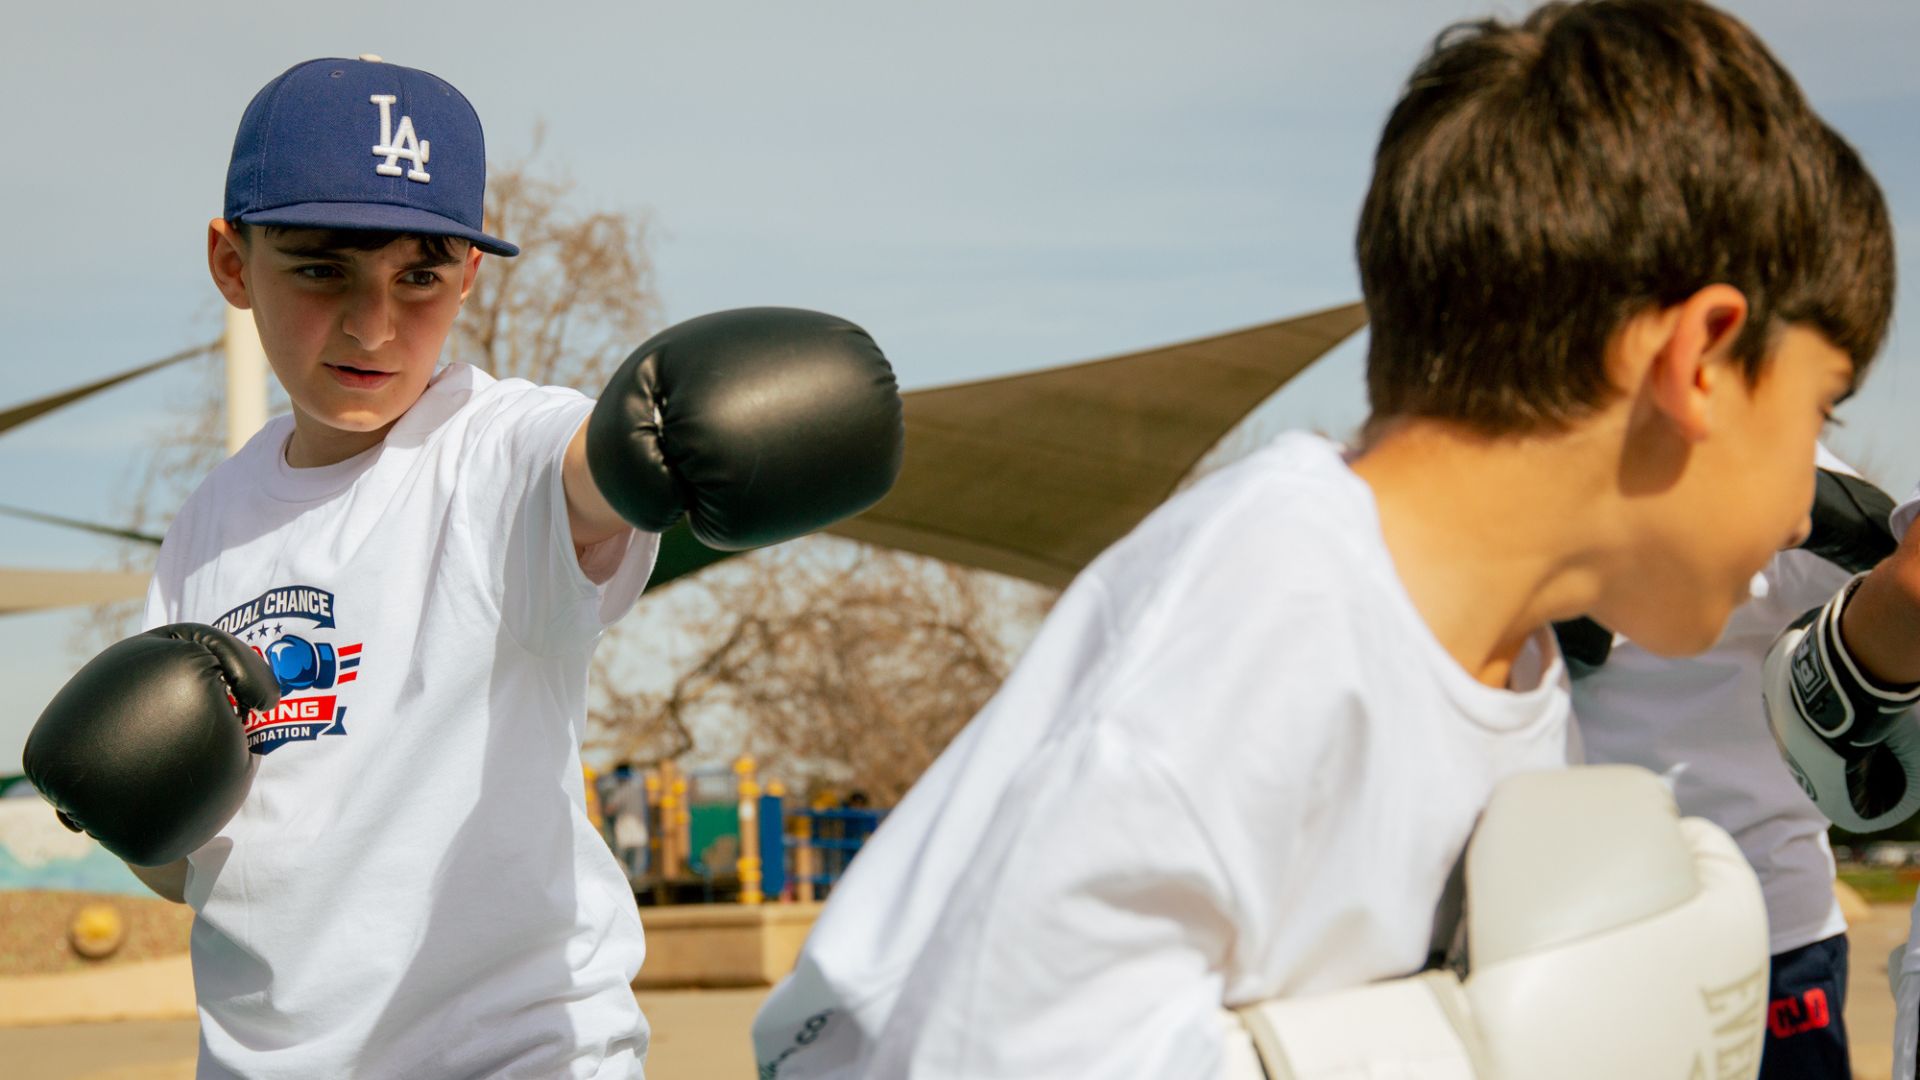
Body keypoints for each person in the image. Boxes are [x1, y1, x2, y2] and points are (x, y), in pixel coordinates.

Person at [750, 1, 1895, 1076]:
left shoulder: (1510, 664)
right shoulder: (1276, 615)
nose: (1807, 507)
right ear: (1700, 361)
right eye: (1819, 409)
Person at [22, 56, 902, 1079]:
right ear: (232, 262)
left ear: (471, 274)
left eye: (421, 276)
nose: (374, 324)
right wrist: (129, 812)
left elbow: (582, 473)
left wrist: (646, 453)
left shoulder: (496, 452)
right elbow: (192, 875)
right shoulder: (207, 525)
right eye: (321, 269)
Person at [1572, 453, 1911, 1080]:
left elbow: (1903, 589)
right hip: (1596, 921)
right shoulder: (1558, 468)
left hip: (1771, 921)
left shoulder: (1806, 475)